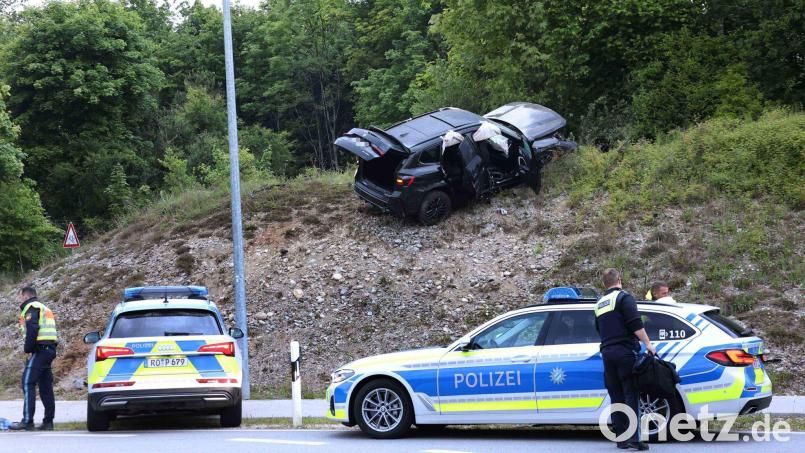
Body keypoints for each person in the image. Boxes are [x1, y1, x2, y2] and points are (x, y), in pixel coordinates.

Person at [595, 269, 656, 451]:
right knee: (631, 393)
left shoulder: (599, 304)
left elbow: (599, 329)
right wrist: (648, 344)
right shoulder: (623, 297)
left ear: (604, 284)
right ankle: (635, 440)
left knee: (616, 395)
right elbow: (635, 323)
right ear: (619, 280)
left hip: (607, 353)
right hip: (625, 352)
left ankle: (621, 439)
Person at [9, 286, 57, 431]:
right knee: (45, 387)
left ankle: (27, 421)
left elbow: (33, 328)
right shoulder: (43, 307)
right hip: (49, 349)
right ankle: (48, 422)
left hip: (40, 351)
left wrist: (28, 349)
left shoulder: (31, 307)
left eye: (20, 296)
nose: (19, 299)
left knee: (27, 382)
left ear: (24, 296)